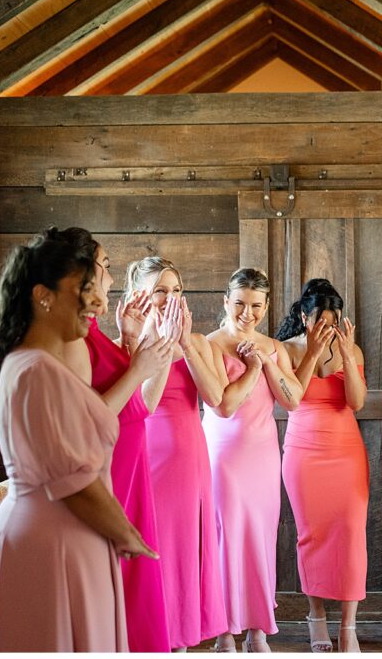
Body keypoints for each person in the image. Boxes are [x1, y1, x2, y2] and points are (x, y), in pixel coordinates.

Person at [0, 228, 155, 652]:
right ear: (44, 295)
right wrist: (127, 535)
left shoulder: (36, 365)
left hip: (67, 535)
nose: (96, 301)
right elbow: (75, 481)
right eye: (83, 290)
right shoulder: (34, 370)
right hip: (50, 541)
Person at [61, 233, 179, 653]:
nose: (111, 276)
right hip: (108, 464)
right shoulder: (72, 337)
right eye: (106, 265)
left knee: (133, 578)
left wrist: (129, 340)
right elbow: (90, 415)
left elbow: (135, 404)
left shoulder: (93, 331)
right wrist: (141, 362)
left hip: (130, 456)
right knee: (116, 576)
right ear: (82, 274)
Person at [123, 256, 229, 651]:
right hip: (148, 454)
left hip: (188, 456)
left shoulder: (199, 341)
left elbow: (217, 399)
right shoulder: (132, 341)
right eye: (160, 290)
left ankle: (182, 637)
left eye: (176, 290)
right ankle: (154, 635)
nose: (170, 297)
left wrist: (184, 341)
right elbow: (145, 405)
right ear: (140, 295)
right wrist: (165, 344)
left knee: (186, 545)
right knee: (157, 546)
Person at [203, 267, 304, 653]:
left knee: (260, 538)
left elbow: (293, 400)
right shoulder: (210, 344)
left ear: (266, 306)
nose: (248, 313)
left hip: (262, 455)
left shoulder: (273, 346)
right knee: (225, 537)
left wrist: (270, 361)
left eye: (256, 305)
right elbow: (224, 405)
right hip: (222, 454)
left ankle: (258, 628)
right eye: (240, 303)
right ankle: (224, 630)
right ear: (226, 302)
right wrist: (253, 368)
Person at [277, 279, 368, 653]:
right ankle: (316, 617)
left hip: (345, 451)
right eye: (319, 321)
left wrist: (346, 355)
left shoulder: (354, 350)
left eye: (333, 321)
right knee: (309, 534)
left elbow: (357, 403)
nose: (327, 328)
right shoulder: (285, 349)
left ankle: (349, 625)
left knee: (350, 533)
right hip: (303, 452)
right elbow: (291, 401)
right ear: (304, 316)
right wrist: (312, 352)